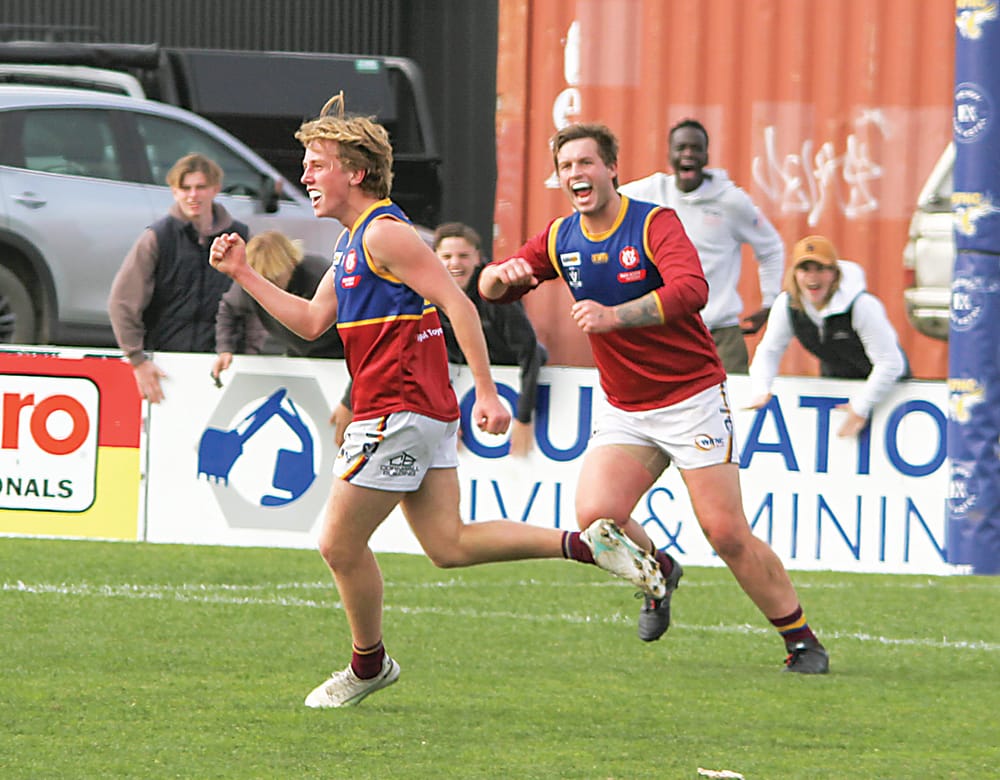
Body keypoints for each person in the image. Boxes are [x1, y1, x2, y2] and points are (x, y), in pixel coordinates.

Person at [208, 94, 669, 708]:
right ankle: (585, 545)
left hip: (397, 413)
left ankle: (368, 665)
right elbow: (314, 321)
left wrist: (486, 389)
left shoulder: (385, 234)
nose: (305, 176)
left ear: (356, 172)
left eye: (317, 164)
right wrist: (244, 274)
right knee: (447, 545)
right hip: (412, 413)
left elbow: (459, 304)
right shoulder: (352, 243)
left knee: (337, 545)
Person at [479, 122, 828, 673]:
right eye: (567, 167)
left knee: (726, 532)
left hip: (691, 398)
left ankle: (801, 639)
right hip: (626, 407)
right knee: (597, 520)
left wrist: (615, 316)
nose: (577, 175)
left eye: (586, 163)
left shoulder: (652, 222)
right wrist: (501, 276)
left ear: (612, 168)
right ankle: (660, 571)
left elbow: (693, 290)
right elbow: (493, 285)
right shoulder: (560, 236)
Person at [618, 118, 784, 373]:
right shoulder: (650, 192)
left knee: (729, 410)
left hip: (720, 336)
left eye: (696, 148)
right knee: (665, 410)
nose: (688, 154)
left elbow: (771, 248)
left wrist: (770, 303)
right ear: (669, 154)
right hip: (666, 332)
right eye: (681, 147)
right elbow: (603, 203)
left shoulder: (730, 201)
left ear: (706, 155)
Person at [108, 153, 249, 403]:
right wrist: (138, 360)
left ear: (215, 189)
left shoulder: (239, 236)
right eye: (185, 188)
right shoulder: (157, 237)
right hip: (165, 362)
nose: (192, 195)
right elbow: (122, 302)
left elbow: (253, 303)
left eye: (200, 187)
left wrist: (247, 355)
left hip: (223, 364)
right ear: (174, 191)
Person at [747, 235, 910, 437]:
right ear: (794, 274)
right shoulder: (786, 305)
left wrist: (861, 407)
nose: (812, 278)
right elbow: (769, 351)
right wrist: (761, 388)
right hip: (837, 387)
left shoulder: (861, 305)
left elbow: (892, 363)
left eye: (821, 269)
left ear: (835, 274)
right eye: (804, 269)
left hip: (889, 391)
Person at [434, 221, 547, 456]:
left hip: (511, 371)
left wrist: (523, 419)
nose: (455, 263)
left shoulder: (496, 294)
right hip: (465, 383)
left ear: (477, 258)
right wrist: (445, 416)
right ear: (435, 258)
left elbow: (530, 352)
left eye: (463, 256)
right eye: (447, 256)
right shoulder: (428, 294)